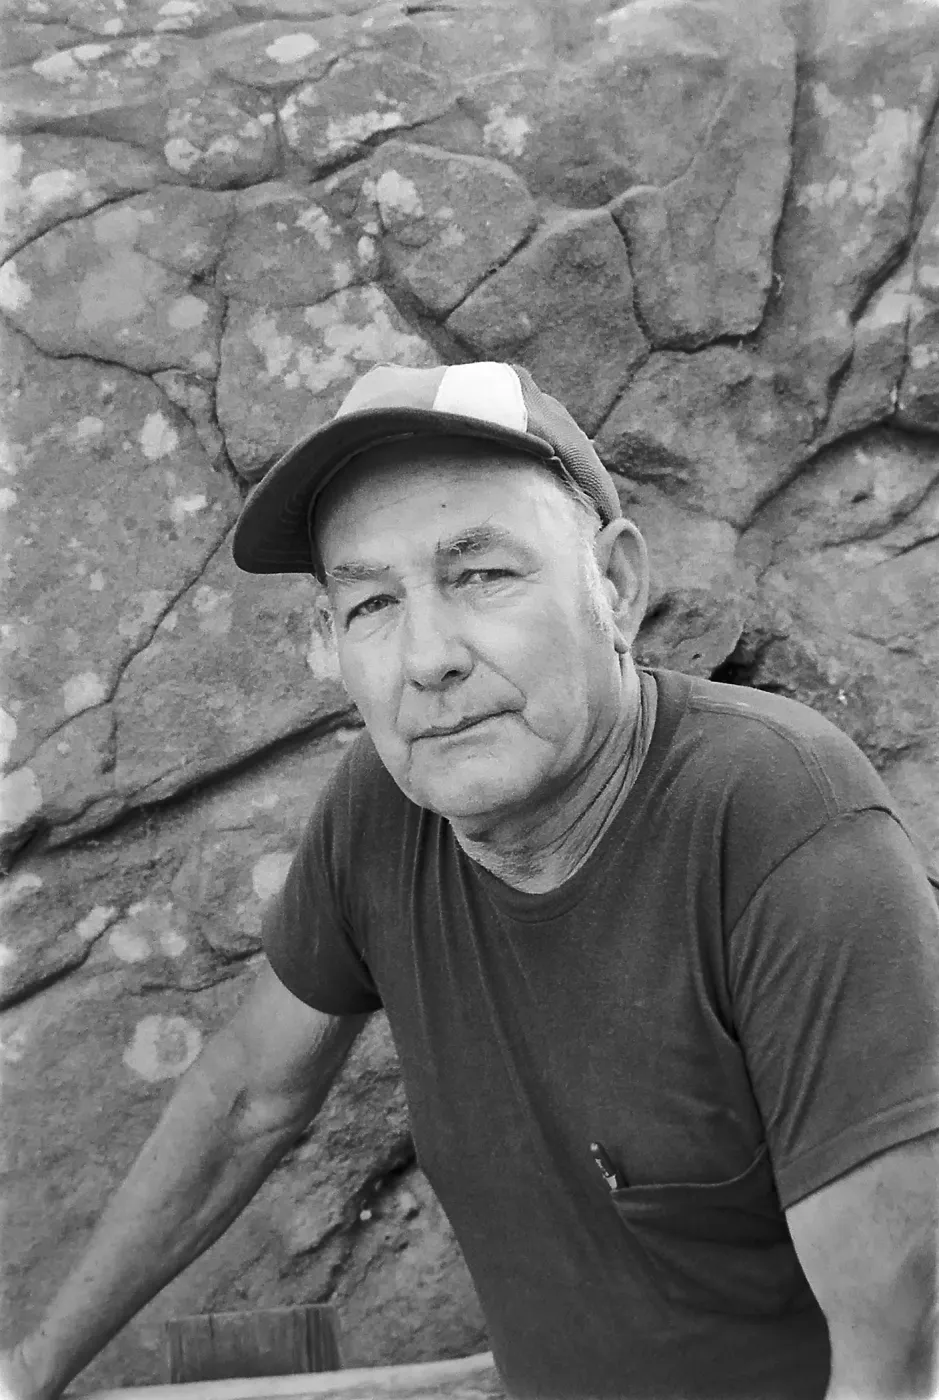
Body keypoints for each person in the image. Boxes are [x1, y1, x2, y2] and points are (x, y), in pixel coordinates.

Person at [4, 361, 938, 1400]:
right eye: (372, 601)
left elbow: (897, 1364)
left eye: (482, 573)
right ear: (329, 643)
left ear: (616, 586)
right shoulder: (383, 809)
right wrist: (29, 1371)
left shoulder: (780, 821)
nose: (428, 657)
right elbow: (247, 1099)